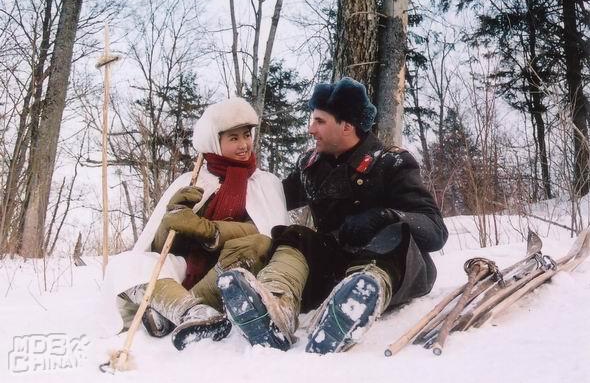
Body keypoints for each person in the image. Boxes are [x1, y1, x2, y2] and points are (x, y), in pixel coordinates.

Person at [217, 77, 448, 354]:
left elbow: (436, 231)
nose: (311, 129)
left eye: (319, 121)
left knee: (393, 234)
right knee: (295, 235)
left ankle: (355, 301)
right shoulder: (311, 166)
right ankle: (275, 304)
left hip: (389, 265)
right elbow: (268, 198)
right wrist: (217, 187)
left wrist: (386, 216)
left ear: (347, 126)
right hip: (333, 267)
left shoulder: (392, 163)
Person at [99, 97, 290, 351]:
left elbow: (267, 235)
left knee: (257, 245)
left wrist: (210, 231)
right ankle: (191, 311)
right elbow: (159, 248)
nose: (244, 145)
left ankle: (164, 310)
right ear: (215, 141)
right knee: (127, 263)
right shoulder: (191, 180)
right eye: (234, 138)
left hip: (227, 270)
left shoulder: (266, 183)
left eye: (247, 135)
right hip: (186, 267)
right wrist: (171, 219)